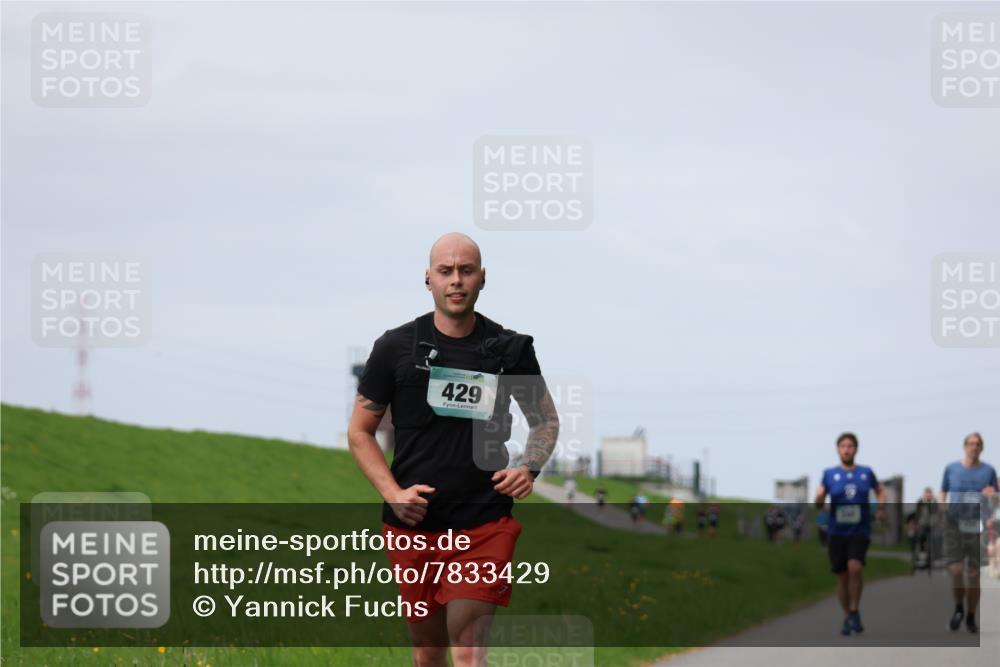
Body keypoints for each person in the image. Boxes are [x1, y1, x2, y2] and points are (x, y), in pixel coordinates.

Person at [347, 232, 560, 667]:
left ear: (483, 278)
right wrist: (392, 493)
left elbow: (545, 421)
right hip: (414, 522)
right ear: (428, 279)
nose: (456, 280)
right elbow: (360, 432)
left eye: (467, 271)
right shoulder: (395, 348)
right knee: (428, 654)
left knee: (467, 651)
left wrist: (529, 467)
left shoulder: (509, 350)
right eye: (446, 271)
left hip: (484, 520)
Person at [814, 432, 886, 636]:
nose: (847, 449)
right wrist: (819, 497)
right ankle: (848, 615)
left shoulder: (866, 472)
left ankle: (854, 609)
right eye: (843, 446)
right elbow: (818, 503)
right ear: (838, 450)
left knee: (855, 568)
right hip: (837, 532)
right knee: (842, 576)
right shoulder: (828, 474)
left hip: (859, 530)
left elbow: (880, 491)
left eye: (851, 446)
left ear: (856, 449)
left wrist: (881, 508)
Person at [939, 432, 997, 634]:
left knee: (973, 575)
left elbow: (995, 499)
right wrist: (942, 508)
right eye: (971, 444)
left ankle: (971, 616)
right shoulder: (951, 469)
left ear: (982, 448)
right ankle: (958, 609)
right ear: (964, 447)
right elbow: (943, 491)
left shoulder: (989, 471)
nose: (974, 447)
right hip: (954, 524)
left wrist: (992, 497)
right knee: (955, 571)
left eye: (978, 444)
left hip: (976, 525)